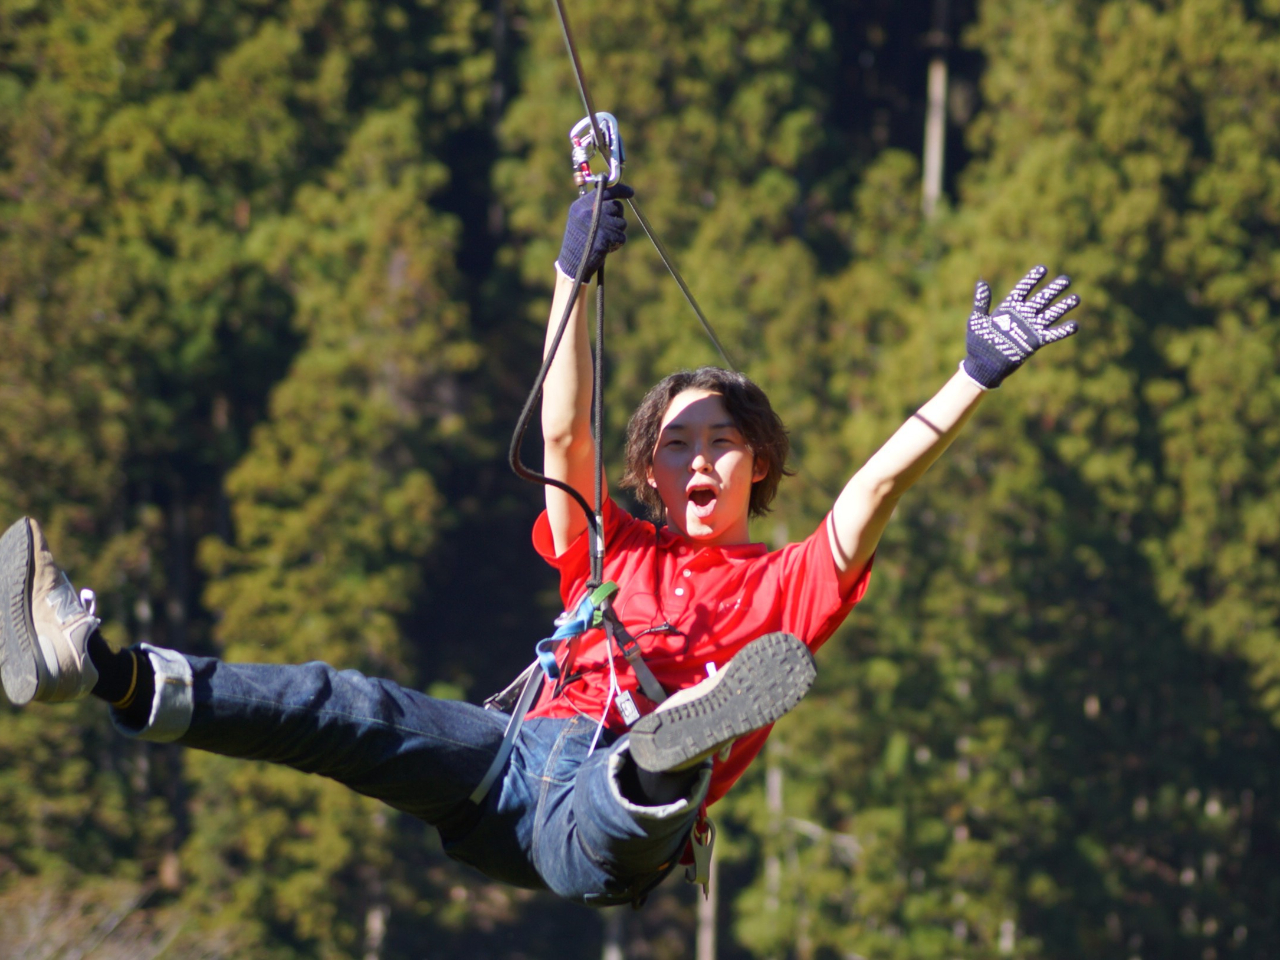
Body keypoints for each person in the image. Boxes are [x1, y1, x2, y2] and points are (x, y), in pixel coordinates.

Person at [0, 184, 1080, 907]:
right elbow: (563, 432)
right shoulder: (611, 551)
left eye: (718, 442)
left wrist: (972, 374)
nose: (694, 460)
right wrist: (573, 271)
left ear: (758, 463)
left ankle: (667, 755)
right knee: (351, 710)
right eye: (672, 446)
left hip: (598, 828)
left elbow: (874, 486)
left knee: (625, 795)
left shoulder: (794, 583)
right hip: (506, 758)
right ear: (648, 472)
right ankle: (94, 669)